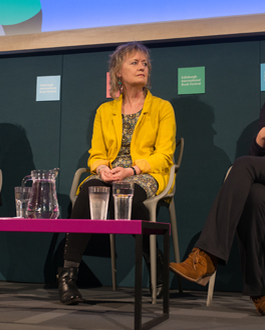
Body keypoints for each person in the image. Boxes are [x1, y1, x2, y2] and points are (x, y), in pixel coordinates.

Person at [170, 27, 265, 316]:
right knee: (253, 195)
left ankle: (204, 256)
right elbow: (259, 158)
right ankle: (259, 291)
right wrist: (262, 136)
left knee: (241, 166)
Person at [58, 41, 176, 305]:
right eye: (134, 62)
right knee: (89, 190)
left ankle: (156, 271)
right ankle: (68, 275)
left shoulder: (162, 108)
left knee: (129, 193)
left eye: (145, 63)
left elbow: (164, 155)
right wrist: (101, 168)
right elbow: (96, 153)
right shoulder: (104, 110)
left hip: (146, 173)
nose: (142, 67)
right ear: (118, 72)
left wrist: (132, 169)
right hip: (111, 172)